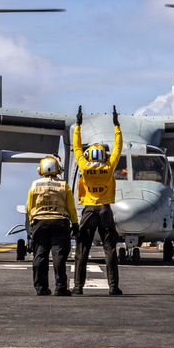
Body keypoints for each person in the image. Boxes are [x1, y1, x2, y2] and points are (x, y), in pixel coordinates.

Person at [72, 105, 124, 295]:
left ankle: (78, 287)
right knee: (110, 249)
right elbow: (118, 147)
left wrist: (78, 125)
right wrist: (117, 126)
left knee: (82, 250)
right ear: (104, 156)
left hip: (88, 211)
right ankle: (113, 287)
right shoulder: (109, 167)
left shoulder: (84, 166)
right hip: (105, 210)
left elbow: (76, 147)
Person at [26, 155, 78, 296]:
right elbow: (71, 207)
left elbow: (29, 207)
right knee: (59, 255)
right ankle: (61, 287)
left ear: (40, 170)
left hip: (39, 223)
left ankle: (41, 288)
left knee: (40, 255)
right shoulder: (63, 186)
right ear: (58, 169)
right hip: (59, 222)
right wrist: (75, 223)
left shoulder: (34, 185)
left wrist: (31, 223)